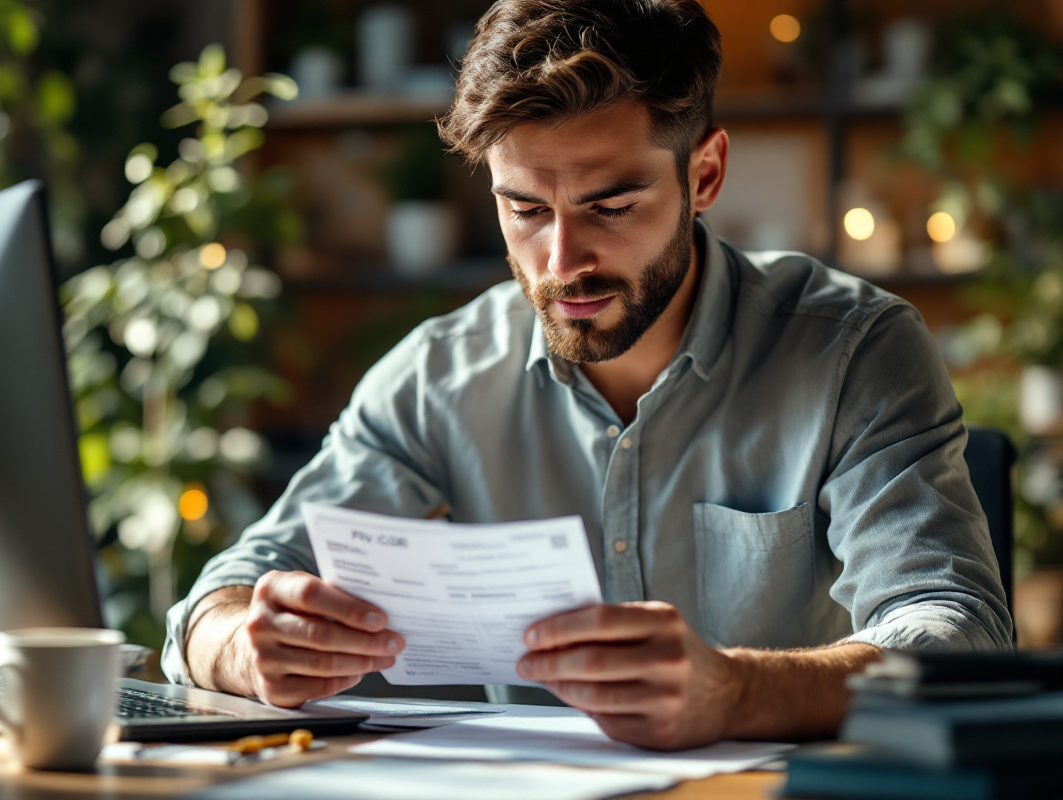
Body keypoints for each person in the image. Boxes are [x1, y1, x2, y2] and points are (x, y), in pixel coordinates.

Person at [162, 0, 1012, 750]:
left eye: (613, 206)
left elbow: (959, 633)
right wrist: (243, 644)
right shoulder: (439, 376)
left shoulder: (854, 351)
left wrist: (735, 691)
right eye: (525, 209)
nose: (562, 263)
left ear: (704, 173)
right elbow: (222, 595)